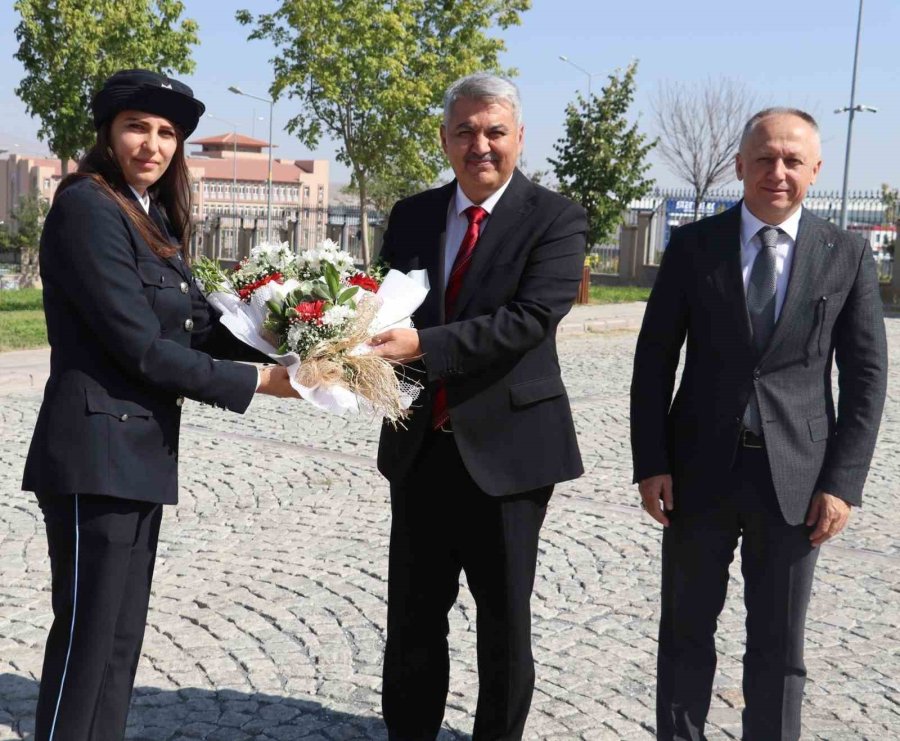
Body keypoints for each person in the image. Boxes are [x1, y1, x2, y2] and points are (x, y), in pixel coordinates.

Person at [21, 69, 297, 741]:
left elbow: (195, 326)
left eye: (167, 132)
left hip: (138, 450)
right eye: (136, 127)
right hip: (93, 453)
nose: (152, 143)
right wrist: (260, 385)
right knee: (89, 641)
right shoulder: (87, 206)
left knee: (119, 640)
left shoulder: (151, 214)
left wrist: (298, 338)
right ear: (109, 134)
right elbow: (139, 345)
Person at [630, 108, 888, 741]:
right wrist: (651, 462)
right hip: (697, 474)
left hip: (797, 483)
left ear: (815, 170)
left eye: (793, 160)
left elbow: (865, 379)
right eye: (765, 158)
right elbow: (654, 361)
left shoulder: (846, 254)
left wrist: (843, 482)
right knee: (685, 635)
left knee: (778, 648)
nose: (778, 172)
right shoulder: (694, 248)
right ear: (740, 166)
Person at [369, 73, 587, 740]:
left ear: (519, 137)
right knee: (411, 619)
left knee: (503, 625)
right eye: (464, 130)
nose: (479, 144)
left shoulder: (556, 217)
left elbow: (527, 319)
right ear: (444, 139)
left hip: (510, 455)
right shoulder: (409, 216)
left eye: (494, 130)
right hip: (420, 451)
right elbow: (380, 309)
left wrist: (421, 345)